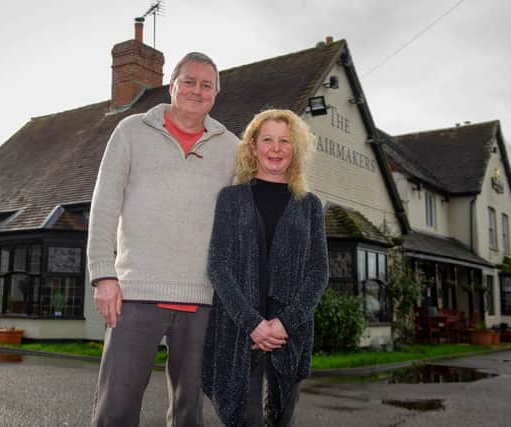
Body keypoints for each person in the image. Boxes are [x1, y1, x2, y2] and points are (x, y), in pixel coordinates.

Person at [86, 52, 239, 427]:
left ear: (216, 94)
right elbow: (105, 204)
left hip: (203, 298)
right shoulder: (131, 131)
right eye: (188, 81)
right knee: (116, 407)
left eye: (207, 85)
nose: (196, 90)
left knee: (189, 412)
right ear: (172, 86)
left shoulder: (232, 148)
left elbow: (242, 226)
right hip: (135, 293)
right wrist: (104, 275)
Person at [202, 109, 329, 426]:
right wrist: (253, 324)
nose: (276, 148)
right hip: (239, 327)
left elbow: (319, 272)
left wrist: (285, 323)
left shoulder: (310, 205)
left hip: (291, 331)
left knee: (282, 416)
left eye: (285, 141)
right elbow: (218, 265)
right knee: (245, 418)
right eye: (268, 139)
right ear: (253, 146)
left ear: (295, 148)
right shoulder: (231, 199)